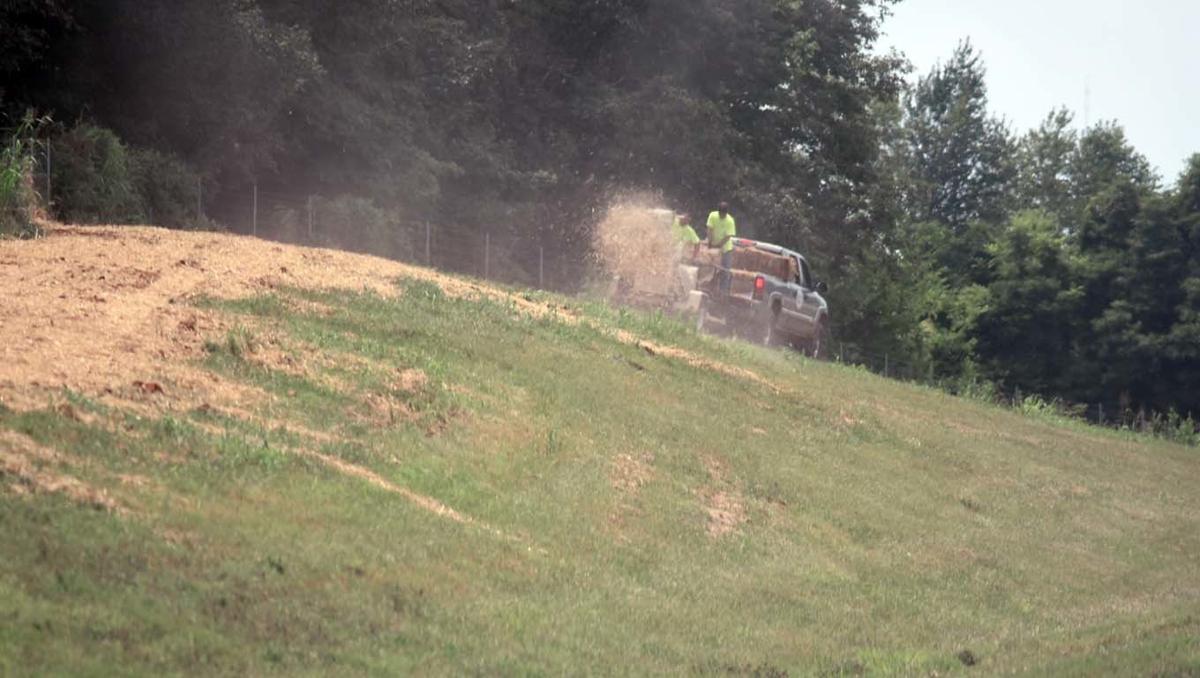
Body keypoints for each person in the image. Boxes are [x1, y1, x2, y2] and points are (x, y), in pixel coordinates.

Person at [706, 201, 736, 295]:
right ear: (718, 211)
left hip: (725, 249)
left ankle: (723, 292)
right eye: (720, 213)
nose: (721, 215)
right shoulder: (713, 215)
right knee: (708, 267)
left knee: (725, 270)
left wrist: (718, 245)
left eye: (723, 214)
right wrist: (710, 242)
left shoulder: (730, 221)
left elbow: (727, 237)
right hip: (713, 244)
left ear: (726, 213)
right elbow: (709, 229)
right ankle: (708, 286)